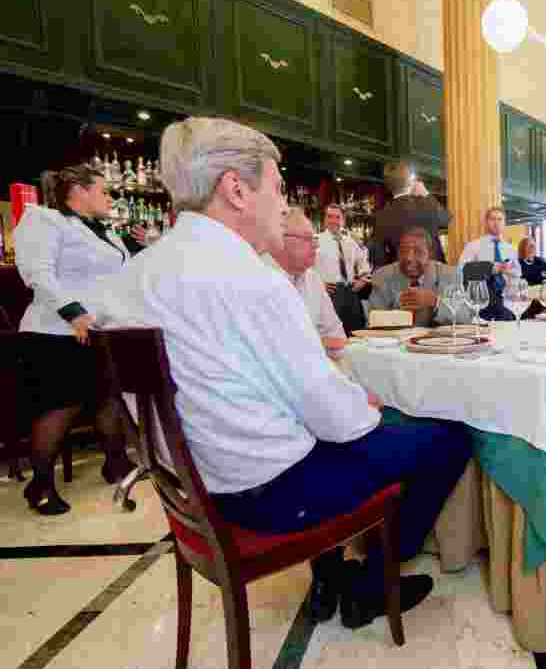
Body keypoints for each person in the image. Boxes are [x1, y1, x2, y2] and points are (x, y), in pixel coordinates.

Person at [94, 117, 473, 629]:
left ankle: (337, 575)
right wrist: (367, 407)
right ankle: (371, 585)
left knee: (346, 425)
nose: (282, 200)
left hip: (199, 496)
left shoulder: (129, 279)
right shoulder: (252, 279)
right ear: (235, 190)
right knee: (446, 436)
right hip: (273, 496)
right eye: (276, 186)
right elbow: (336, 420)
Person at [13, 164, 136, 515]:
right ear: (79, 191)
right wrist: (73, 311)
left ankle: (115, 463)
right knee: (61, 406)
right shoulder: (45, 219)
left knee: (107, 398)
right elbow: (37, 271)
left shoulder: (105, 232)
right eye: (103, 191)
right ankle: (40, 484)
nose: (109, 198)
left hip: (98, 332)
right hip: (55, 331)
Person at [265, 207, 348, 357]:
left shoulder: (312, 278)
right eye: (308, 238)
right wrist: (319, 343)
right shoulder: (260, 278)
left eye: (315, 239)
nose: (316, 245)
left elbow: (336, 335)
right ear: (281, 239)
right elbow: (274, 347)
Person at [367, 228, 475, 327]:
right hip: (393, 344)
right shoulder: (382, 276)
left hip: (436, 344)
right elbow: (373, 320)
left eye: (418, 252)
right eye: (403, 251)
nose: (409, 258)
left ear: (430, 255)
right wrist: (399, 314)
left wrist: (435, 301)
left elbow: (465, 317)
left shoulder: (449, 274)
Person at [368, 162, 449, 267]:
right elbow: (446, 220)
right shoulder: (426, 205)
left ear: (388, 186)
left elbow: (378, 258)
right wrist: (426, 194)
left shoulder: (381, 216)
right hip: (435, 275)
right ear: (411, 181)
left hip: (401, 277)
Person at [315, 203, 371, 333]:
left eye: (337, 217)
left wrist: (362, 281)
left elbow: (365, 265)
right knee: (331, 333)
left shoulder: (351, 242)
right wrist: (318, 285)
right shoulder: (316, 241)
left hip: (351, 292)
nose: (333, 221)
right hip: (329, 294)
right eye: (329, 217)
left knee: (356, 332)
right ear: (324, 219)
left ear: (343, 220)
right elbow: (305, 269)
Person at [457, 207, 520, 320]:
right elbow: (461, 271)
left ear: (504, 223)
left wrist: (510, 273)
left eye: (500, 219)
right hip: (481, 300)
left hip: (506, 300)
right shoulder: (473, 246)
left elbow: (518, 273)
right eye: (492, 219)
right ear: (486, 222)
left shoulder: (511, 249)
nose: (496, 223)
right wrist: (491, 268)